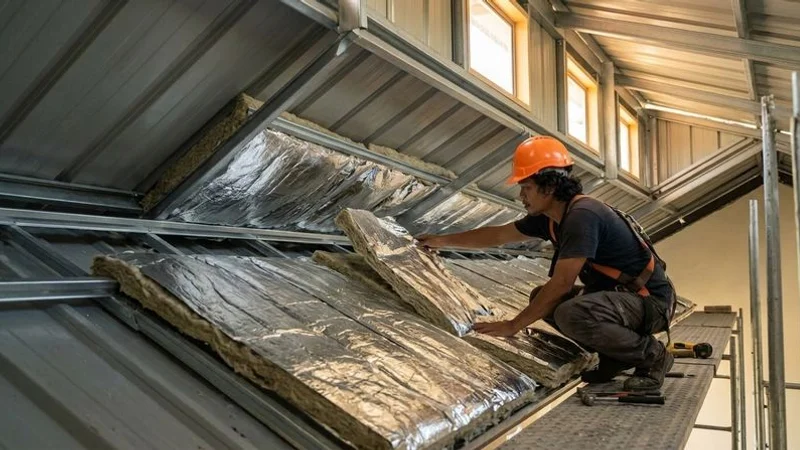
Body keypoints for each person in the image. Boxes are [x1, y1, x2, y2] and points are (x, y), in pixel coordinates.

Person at [417, 135, 677, 391]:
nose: (521, 195)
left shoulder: (582, 217)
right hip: (623, 299)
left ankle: (653, 356)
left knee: (569, 312)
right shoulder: (551, 217)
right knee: (540, 297)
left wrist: (513, 326)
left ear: (549, 187)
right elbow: (497, 235)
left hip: (651, 302)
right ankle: (616, 357)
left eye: (526, 187)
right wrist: (440, 240)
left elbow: (562, 284)